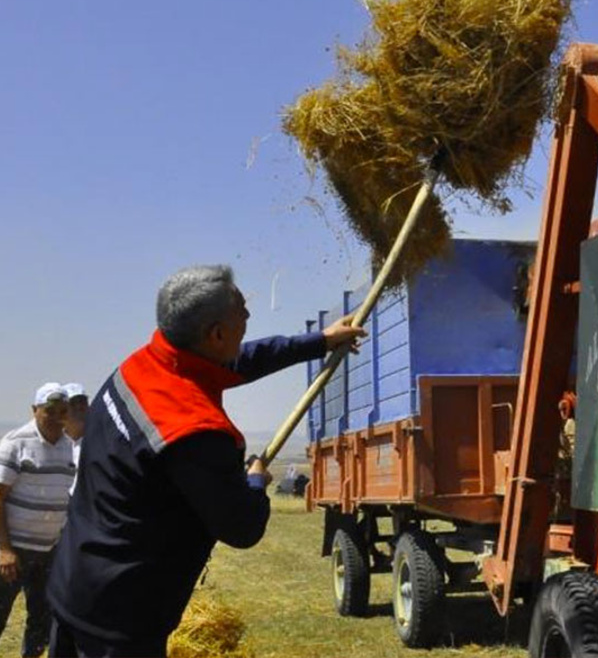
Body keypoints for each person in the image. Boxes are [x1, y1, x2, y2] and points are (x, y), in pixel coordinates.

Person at [47, 264, 364, 657]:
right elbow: (242, 526)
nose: (249, 315)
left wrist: (318, 342)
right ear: (215, 334)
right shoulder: (192, 429)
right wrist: (255, 481)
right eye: (241, 309)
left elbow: (238, 359)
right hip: (121, 616)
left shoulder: (141, 366)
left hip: (72, 583)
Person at [0, 384, 74, 658]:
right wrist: (5, 549)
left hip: (48, 550)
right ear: (35, 410)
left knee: (41, 617)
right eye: (49, 411)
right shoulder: (16, 442)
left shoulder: (69, 446)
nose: (56, 417)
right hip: (10, 549)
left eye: (62, 411)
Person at [62, 384, 88, 495]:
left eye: (82, 402)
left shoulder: (99, 442)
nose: (79, 408)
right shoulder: (54, 445)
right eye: (72, 403)